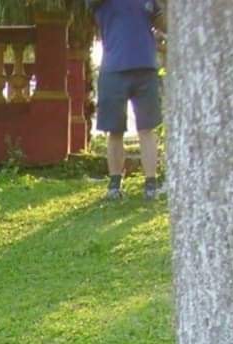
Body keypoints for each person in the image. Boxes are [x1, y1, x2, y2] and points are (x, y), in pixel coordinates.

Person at [88, 0, 166, 201]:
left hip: (145, 68)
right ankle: (114, 185)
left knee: (146, 129)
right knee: (114, 130)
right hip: (114, 69)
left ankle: (151, 185)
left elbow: (163, 22)